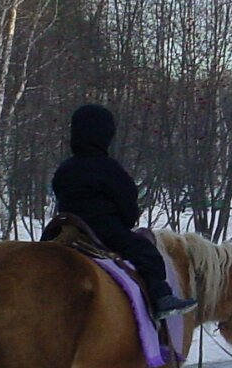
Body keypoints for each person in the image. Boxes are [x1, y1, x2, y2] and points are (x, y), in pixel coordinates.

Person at [52, 103, 196, 318]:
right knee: (146, 252)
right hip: (102, 230)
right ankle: (162, 298)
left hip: (65, 229)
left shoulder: (64, 169)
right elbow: (128, 207)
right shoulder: (109, 168)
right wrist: (124, 220)